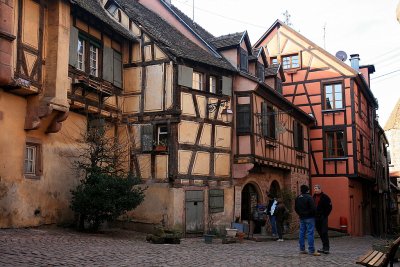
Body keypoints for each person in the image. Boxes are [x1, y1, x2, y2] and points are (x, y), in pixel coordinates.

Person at [295, 185, 320, 256]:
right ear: (307, 190)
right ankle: (311, 250)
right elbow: (313, 208)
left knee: (301, 233)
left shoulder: (298, 198)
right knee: (310, 233)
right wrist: (313, 214)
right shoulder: (309, 197)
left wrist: (300, 214)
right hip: (309, 217)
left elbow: (296, 208)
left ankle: (302, 249)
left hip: (302, 217)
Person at [313, 184, 332, 254]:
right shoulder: (313, 197)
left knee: (324, 232)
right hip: (316, 218)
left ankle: (327, 248)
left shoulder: (325, 197)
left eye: (316, 189)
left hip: (323, 217)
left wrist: (325, 215)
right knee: (320, 232)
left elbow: (329, 207)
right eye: (314, 189)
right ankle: (324, 247)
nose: (315, 190)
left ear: (320, 189)